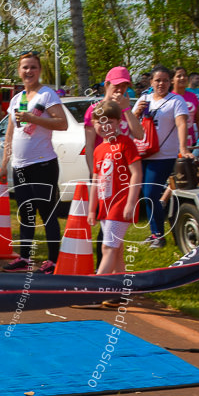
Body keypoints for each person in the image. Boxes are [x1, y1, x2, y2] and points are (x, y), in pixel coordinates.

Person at [0, 51, 69, 273]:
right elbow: (10, 134)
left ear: (39, 70)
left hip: (43, 164)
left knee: (46, 212)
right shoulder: (16, 99)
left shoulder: (47, 95)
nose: (28, 71)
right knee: (25, 212)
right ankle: (25, 257)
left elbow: (62, 123)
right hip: (19, 166)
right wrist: (4, 162)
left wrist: (32, 118)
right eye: (24, 67)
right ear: (19, 71)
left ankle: (53, 260)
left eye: (33, 67)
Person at [131, 65, 190, 249]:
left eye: (165, 80)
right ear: (151, 82)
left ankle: (158, 236)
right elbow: (131, 124)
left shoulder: (176, 101)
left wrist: (183, 147)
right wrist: (136, 113)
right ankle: (155, 233)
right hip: (143, 152)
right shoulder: (144, 99)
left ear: (170, 81)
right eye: (157, 80)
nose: (161, 84)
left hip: (164, 155)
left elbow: (181, 124)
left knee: (150, 193)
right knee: (148, 194)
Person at [86, 100, 142, 289]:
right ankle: (120, 291)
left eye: (109, 121)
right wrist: (92, 209)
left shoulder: (125, 143)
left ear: (119, 122)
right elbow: (95, 180)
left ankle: (95, 290)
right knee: (116, 250)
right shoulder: (99, 149)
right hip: (105, 205)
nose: (104, 126)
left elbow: (137, 173)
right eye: (100, 122)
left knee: (108, 248)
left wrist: (130, 203)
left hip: (120, 204)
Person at [82, 67, 145, 176]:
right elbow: (89, 146)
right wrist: (94, 173)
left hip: (125, 168)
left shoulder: (126, 109)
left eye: (124, 86)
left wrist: (126, 109)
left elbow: (139, 135)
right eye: (116, 86)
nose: (120, 90)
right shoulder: (94, 109)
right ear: (107, 85)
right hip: (103, 168)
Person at [173, 66, 199, 148]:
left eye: (185, 75)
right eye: (179, 76)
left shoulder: (193, 96)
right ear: (172, 80)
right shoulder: (169, 97)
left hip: (191, 141)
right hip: (173, 142)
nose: (182, 78)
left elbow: (198, 119)